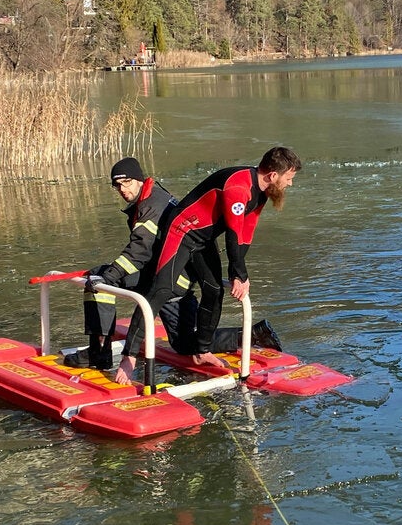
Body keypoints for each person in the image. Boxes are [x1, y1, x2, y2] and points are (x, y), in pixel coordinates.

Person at [114, 147, 301, 384]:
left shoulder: (261, 192)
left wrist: (241, 275)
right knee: (161, 290)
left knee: (214, 290)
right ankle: (128, 357)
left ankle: (202, 351)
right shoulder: (239, 186)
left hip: (202, 239)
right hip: (181, 230)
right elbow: (232, 234)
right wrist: (238, 273)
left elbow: (246, 232)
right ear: (273, 175)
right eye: (289, 178)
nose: (290, 184)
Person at [67, 157, 187, 369]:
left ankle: (250, 334)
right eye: (118, 185)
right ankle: (99, 351)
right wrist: (105, 277)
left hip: (170, 282)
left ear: (140, 180)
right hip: (162, 274)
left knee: (187, 345)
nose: (122, 189)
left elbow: (139, 252)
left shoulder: (151, 205)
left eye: (127, 182)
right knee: (99, 277)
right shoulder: (153, 197)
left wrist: (108, 277)